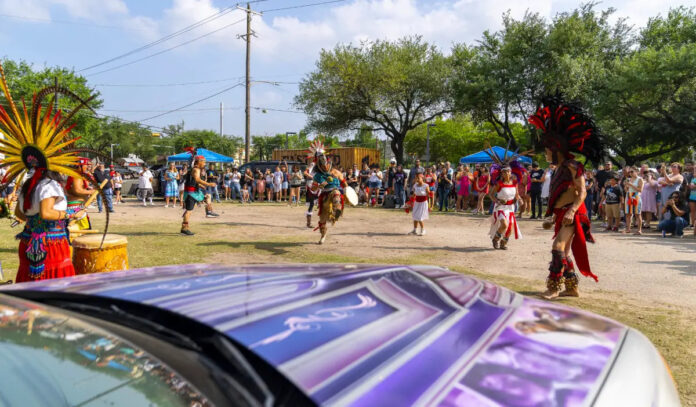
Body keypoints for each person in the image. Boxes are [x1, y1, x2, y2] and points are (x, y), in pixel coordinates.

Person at [0, 70, 92, 282]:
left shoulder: (29, 183)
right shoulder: (49, 184)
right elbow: (48, 212)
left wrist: (38, 221)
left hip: (29, 241)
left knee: (31, 283)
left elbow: (20, 214)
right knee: (55, 285)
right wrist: (70, 215)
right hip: (51, 245)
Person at [528, 96, 603, 299]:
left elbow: (583, 191)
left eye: (546, 150)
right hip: (562, 213)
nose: (545, 154)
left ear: (555, 149)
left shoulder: (573, 166)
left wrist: (571, 210)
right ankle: (571, 287)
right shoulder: (559, 168)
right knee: (565, 252)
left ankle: (554, 287)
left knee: (558, 247)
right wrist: (553, 216)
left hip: (573, 212)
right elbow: (559, 194)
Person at [308, 140, 345, 244]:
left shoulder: (335, 171)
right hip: (324, 194)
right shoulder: (317, 176)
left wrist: (347, 190)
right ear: (319, 165)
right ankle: (323, 235)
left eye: (326, 163)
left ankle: (337, 210)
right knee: (322, 220)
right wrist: (320, 185)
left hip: (335, 191)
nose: (325, 166)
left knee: (336, 193)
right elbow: (313, 189)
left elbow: (344, 181)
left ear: (329, 163)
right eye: (322, 164)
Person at [181, 154, 219, 235]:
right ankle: (184, 229)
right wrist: (208, 184)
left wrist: (201, 185)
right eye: (204, 162)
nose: (205, 164)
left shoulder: (194, 169)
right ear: (199, 162)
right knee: (189, 211)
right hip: (191, 193)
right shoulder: (196, 169)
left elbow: (193, 181)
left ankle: (209, 211)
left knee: (208, 196)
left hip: (194, 192)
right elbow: (197, 179)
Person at [488, 166, 521, 250]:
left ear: (511, 172)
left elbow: (516, 194)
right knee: (504, 225)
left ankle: (503, 243)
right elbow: (491, 195)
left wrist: (519, 200)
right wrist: (497, 201)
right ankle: (495, 239)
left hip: (511, 207)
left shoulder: (514, 183)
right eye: (504, 172)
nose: (506, 173)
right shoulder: (499, 183)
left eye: (508, 171)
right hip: (501, 207)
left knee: (510, 228)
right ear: (501, 174)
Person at [65, 157, 94, 230]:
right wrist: (91, 192)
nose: (87, 167)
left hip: (76, 206)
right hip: (77, 208)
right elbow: (77, 190)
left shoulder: (75, 175)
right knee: (82, 233)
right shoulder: (77, 176)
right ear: (79, 166)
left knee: (79, 232)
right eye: (86, 165)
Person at [624, 167, 643, 235]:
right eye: (630, 172)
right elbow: (626, 190)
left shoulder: (640, 179)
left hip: (636, 196)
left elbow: (640, 190)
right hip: (629, 195)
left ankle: (639, 230)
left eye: (632, 171)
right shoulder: (629, 179)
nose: (630, 173)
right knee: (628, 214)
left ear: (637, 171)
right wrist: (626, 186)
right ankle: (628, 229)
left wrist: (631, 185)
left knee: (637, 214)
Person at [304, 162, 317, 228]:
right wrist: (312, 177)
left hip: (319, 185)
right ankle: (308, 223)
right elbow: (305, 173)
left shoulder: (322, 165)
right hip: (311, 185)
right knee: (311, 204)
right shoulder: (312, 164)